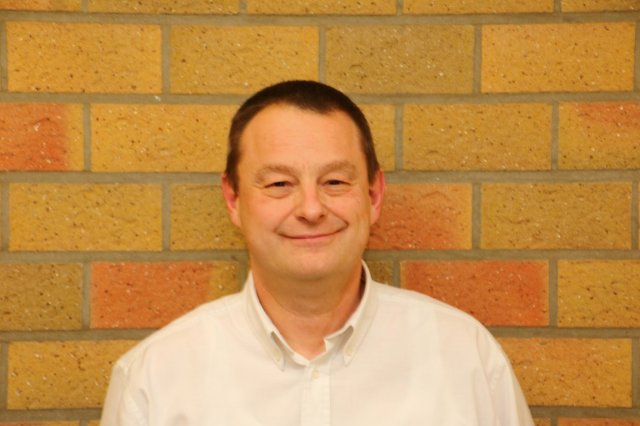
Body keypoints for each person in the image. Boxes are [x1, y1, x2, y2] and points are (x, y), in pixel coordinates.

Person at [101, 80, 535, 425]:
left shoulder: (466, 359)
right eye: (279, 184)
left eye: (335, 182)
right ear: (233, 198)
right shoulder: (155, 379)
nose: (311, 209)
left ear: (374, 195)